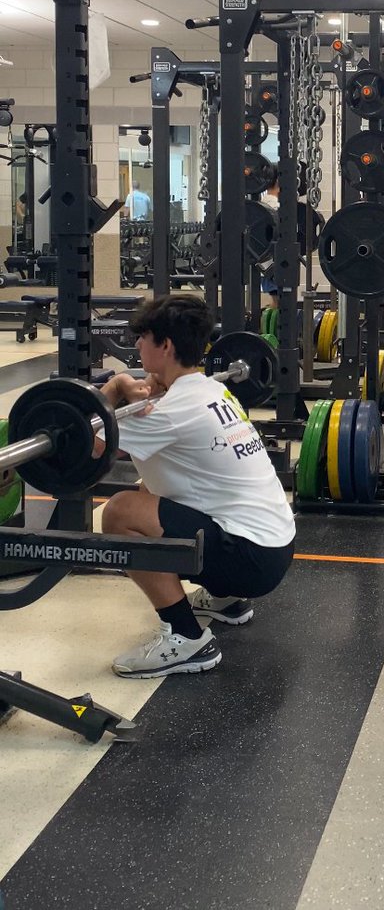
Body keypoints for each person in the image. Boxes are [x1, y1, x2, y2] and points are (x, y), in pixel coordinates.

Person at [95, 294, 295, 678]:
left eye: (142, 339)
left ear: (165, 346)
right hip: (275, 548)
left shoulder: (171, 413)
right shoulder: (212, 391)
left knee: (121, 511)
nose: (136, 346)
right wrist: (156, 384)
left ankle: (186, 639)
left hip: (251, 560)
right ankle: (225, 599)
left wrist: (117, 385)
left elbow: (85, 446)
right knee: (148, 489)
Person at [260, 162, 280, 309]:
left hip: (267, 264)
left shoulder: (260, 204)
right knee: (278, 305)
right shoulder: (275, 207)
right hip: (274, 264)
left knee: (276, 303)